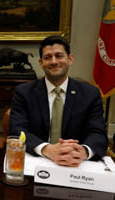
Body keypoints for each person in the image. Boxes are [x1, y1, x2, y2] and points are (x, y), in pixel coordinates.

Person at [10, 35, 108, 167]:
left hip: (76, 164)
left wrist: (83, 151)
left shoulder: (90, 94)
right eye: (47, 57)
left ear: (70, 59)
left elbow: (98, 133)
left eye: (59, 55)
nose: (54, 61)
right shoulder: (24, 92)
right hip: (38, 161)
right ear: (41, 63)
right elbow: (17, 129)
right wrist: (47, 149)